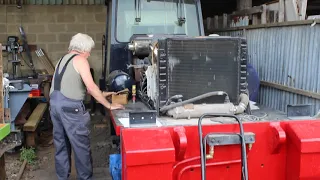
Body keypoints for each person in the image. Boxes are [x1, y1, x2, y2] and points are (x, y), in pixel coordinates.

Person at [49, 33, 124, 180]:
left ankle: (62, 177)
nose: (89, 54)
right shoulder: (80, 60)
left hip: (55, 107)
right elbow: (91, 88)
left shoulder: (61, 60)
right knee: (81, 147)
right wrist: (109, 105)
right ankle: (85, 178)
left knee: (62, 146)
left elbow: (73, 86)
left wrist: (104, 94)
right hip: (71, 109)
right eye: (89, 50)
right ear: (83, 48)